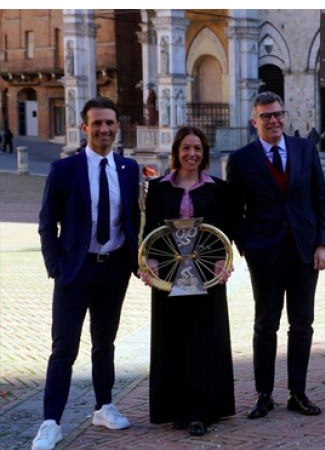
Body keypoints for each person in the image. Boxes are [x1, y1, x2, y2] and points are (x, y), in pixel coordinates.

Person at [34, 97, 140, 450]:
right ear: (85, 128)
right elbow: (47, 223)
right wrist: (56, 268)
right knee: (64, 347)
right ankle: (51, 422)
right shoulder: (65, 170)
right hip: (75, 272)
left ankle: (103, 406)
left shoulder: (129, 169)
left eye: (109, 123)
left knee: (104, 343)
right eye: (97, 124)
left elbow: (133, 220)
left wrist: (135, 262)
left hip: (113, 271)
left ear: (117, 127)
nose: (104, 129)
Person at [227, 91, 325, 418]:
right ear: (254, 121)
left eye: (278, 114)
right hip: (265, 255)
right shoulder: (241, 159)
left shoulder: (304, 149)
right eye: (266, 116)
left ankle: (297, 392)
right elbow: (234, 212)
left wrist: (323, 244)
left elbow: (322, 200)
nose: (273, 121)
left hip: (304, 252)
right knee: (265, 324)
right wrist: (248, 248)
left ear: (284, 116)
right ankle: (264, 394)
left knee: (302, 324)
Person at [138, 126, 235, 436]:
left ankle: (202, 412)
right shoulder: (158, 188)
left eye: (197, 148)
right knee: (172, 339)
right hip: (168, 276)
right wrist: (148, 264)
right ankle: (175, 409)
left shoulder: (218, 188)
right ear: (176, 152)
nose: (192, 154)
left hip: (207, 276)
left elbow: (225, 229)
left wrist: (222, 262)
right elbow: (149, 230)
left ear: (204, 153)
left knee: (206, 341)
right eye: (186, 148)